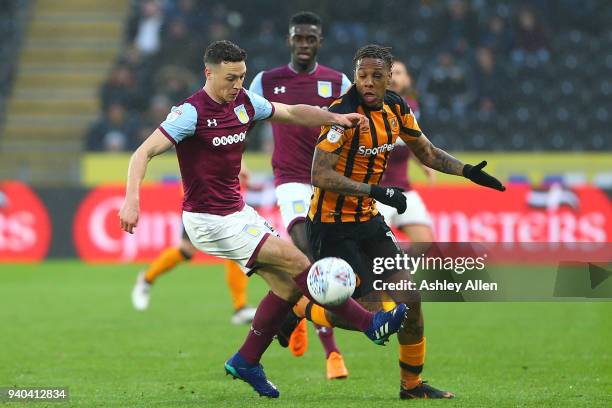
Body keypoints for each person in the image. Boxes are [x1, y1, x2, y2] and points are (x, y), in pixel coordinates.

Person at [118, 40, 408, 399]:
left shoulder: (244, 102)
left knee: (286, 287)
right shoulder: (190, 112)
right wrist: (132, 200)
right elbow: (141, 153)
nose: (237, 84)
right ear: (208, 73)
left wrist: (333, 117)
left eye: (241, 76)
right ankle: (370, 323)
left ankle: (246, 360)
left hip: (236, 212)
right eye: (229, 78)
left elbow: (291, 112)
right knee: (297, 260)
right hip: (209, 219)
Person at [304, 44, 505, 399]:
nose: (367, 83)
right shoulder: (341, 113)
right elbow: (319, 174)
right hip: (331, 222)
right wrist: (374, 191)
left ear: (388, 79)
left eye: (376, 77)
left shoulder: (397, 108)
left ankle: (411, 386)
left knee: (410, 298)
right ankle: (301, 308)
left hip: (367, 220)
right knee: (365, 313)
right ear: (354, 76)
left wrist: (467, 171)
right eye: (362, 76)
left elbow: (426, 152)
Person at [249, 11, 351, 379]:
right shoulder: (266, 81)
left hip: (329, 182)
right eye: (299, 38)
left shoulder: (337, 81)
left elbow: (352, 129)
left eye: (311, 39)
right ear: (289, 39)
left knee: (326, 262)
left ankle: (295, 313)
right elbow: (239, 119)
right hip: (291, 179)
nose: (304, 44)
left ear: (319, 41)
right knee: (311, 254)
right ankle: (333, 354)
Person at [130, 161, 257, 325]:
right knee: (186, 251)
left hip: (222, 204)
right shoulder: (199, 142)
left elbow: (236, 160)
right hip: (198, 201)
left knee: (235, 251)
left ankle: (240, 308)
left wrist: (242, 170)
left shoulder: (228, 141)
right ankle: (146, 279)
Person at [377, 59, 435, 243]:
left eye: (399, 73)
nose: (393, 78)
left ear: (407, 80)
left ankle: (396, 266)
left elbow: (409, 142)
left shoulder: (412, 107)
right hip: (374, 191)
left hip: (403, 189)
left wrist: (423, 163)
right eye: (389, 73)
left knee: (425, 242)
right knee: (375, 246)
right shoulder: (367, 106)